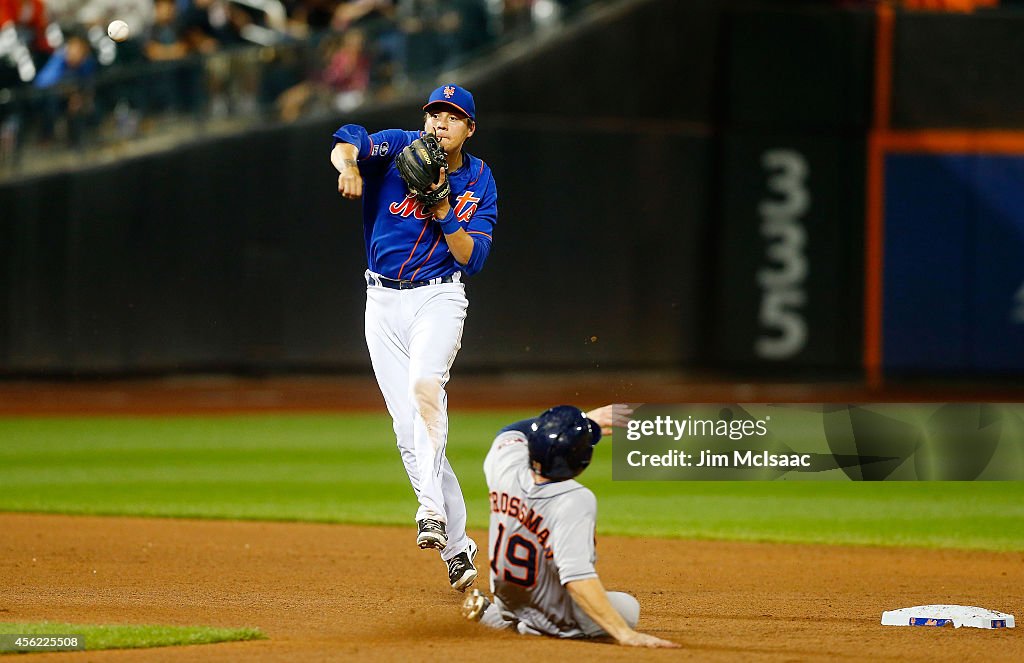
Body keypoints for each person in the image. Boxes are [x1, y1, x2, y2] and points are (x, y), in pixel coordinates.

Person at [330, 83, 497, 592]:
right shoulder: (399, 146)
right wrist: (352, 166)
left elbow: (475, 258)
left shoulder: (480, 179)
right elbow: (346, 139)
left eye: (452, 116)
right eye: (434, 113)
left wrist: (443, 208)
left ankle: (429, 512)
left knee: (427, 390)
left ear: (469, 128)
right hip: (380, 303)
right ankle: (458, 549)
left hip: (437, 299)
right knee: (410, 430)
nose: (440, 122)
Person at [461, 404, 679, 648]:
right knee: (628, 609)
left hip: (507, 598)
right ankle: (524, 627)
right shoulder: (573, 499)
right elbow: (576, 578)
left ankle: (501, 614)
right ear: (582, 460)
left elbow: (511, 430)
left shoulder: (506, 466)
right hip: (552, 614)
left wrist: (586, 419)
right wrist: (625, 634)